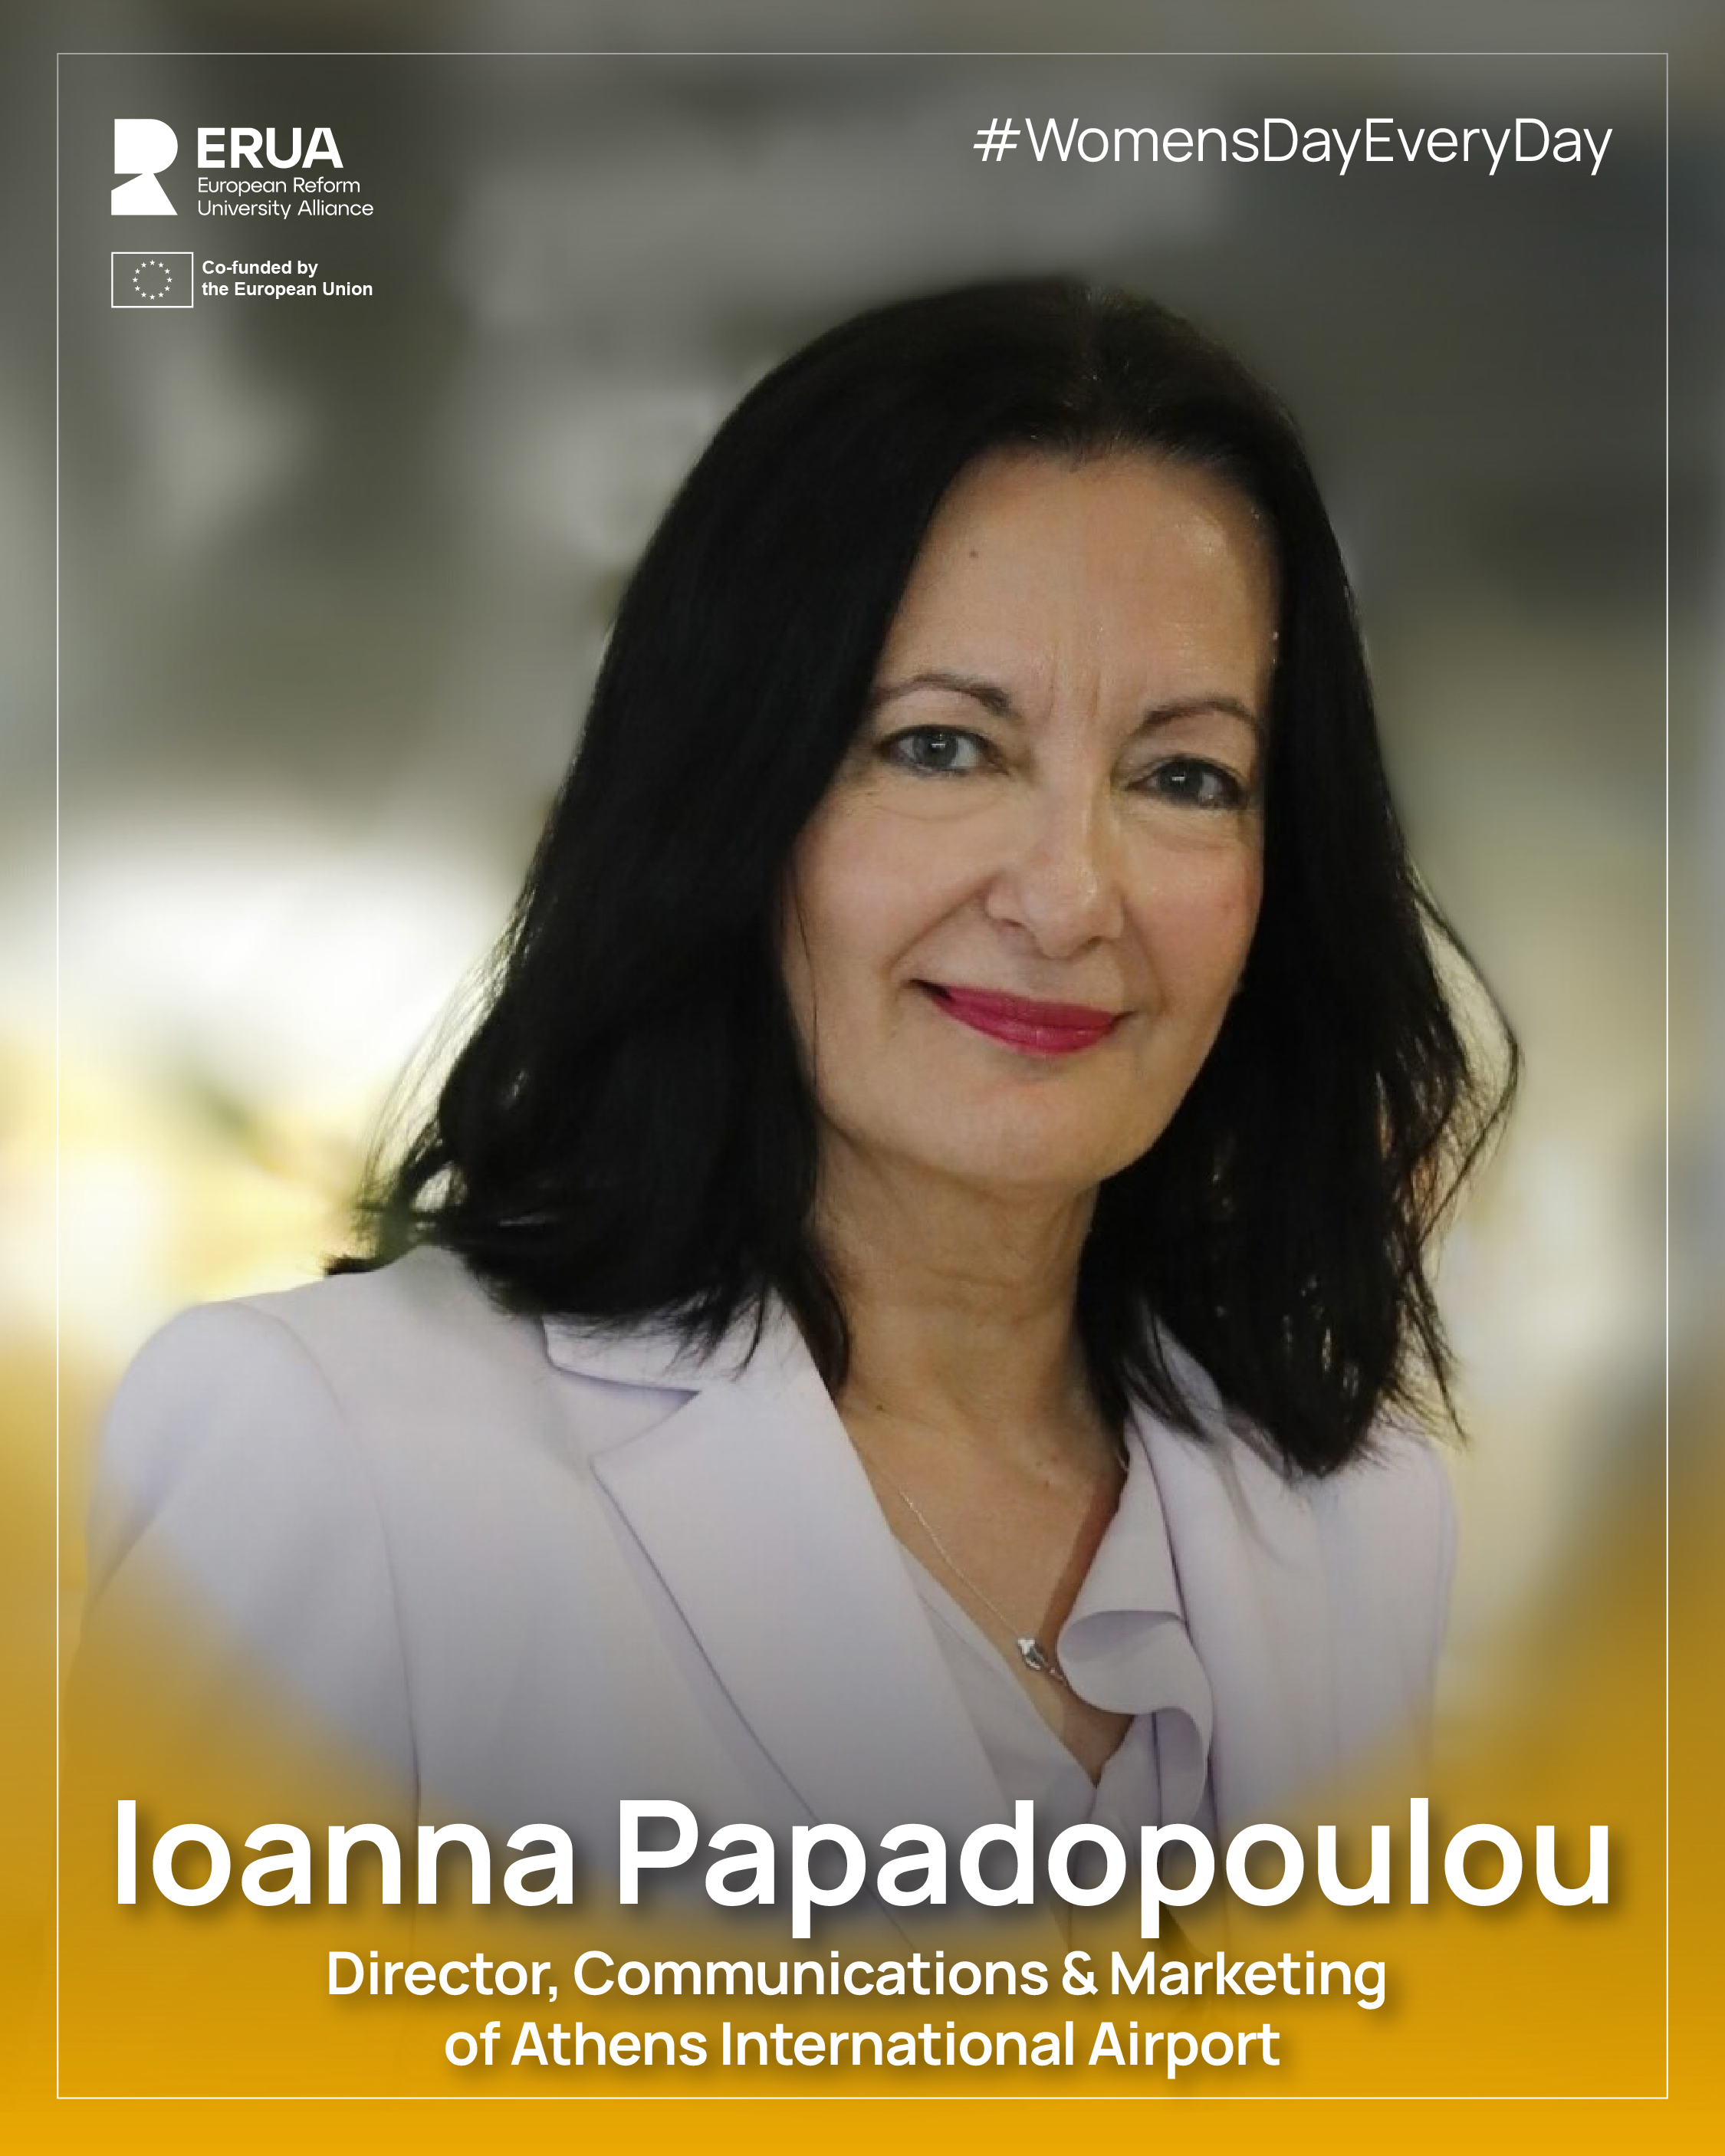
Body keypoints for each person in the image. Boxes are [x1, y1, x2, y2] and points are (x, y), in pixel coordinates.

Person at [76, 279, 1514, 1901]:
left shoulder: (1350, 1520)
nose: (1066, 898)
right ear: (734, 793)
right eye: (942, 747)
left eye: (1185, 776)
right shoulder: (330, 1454)